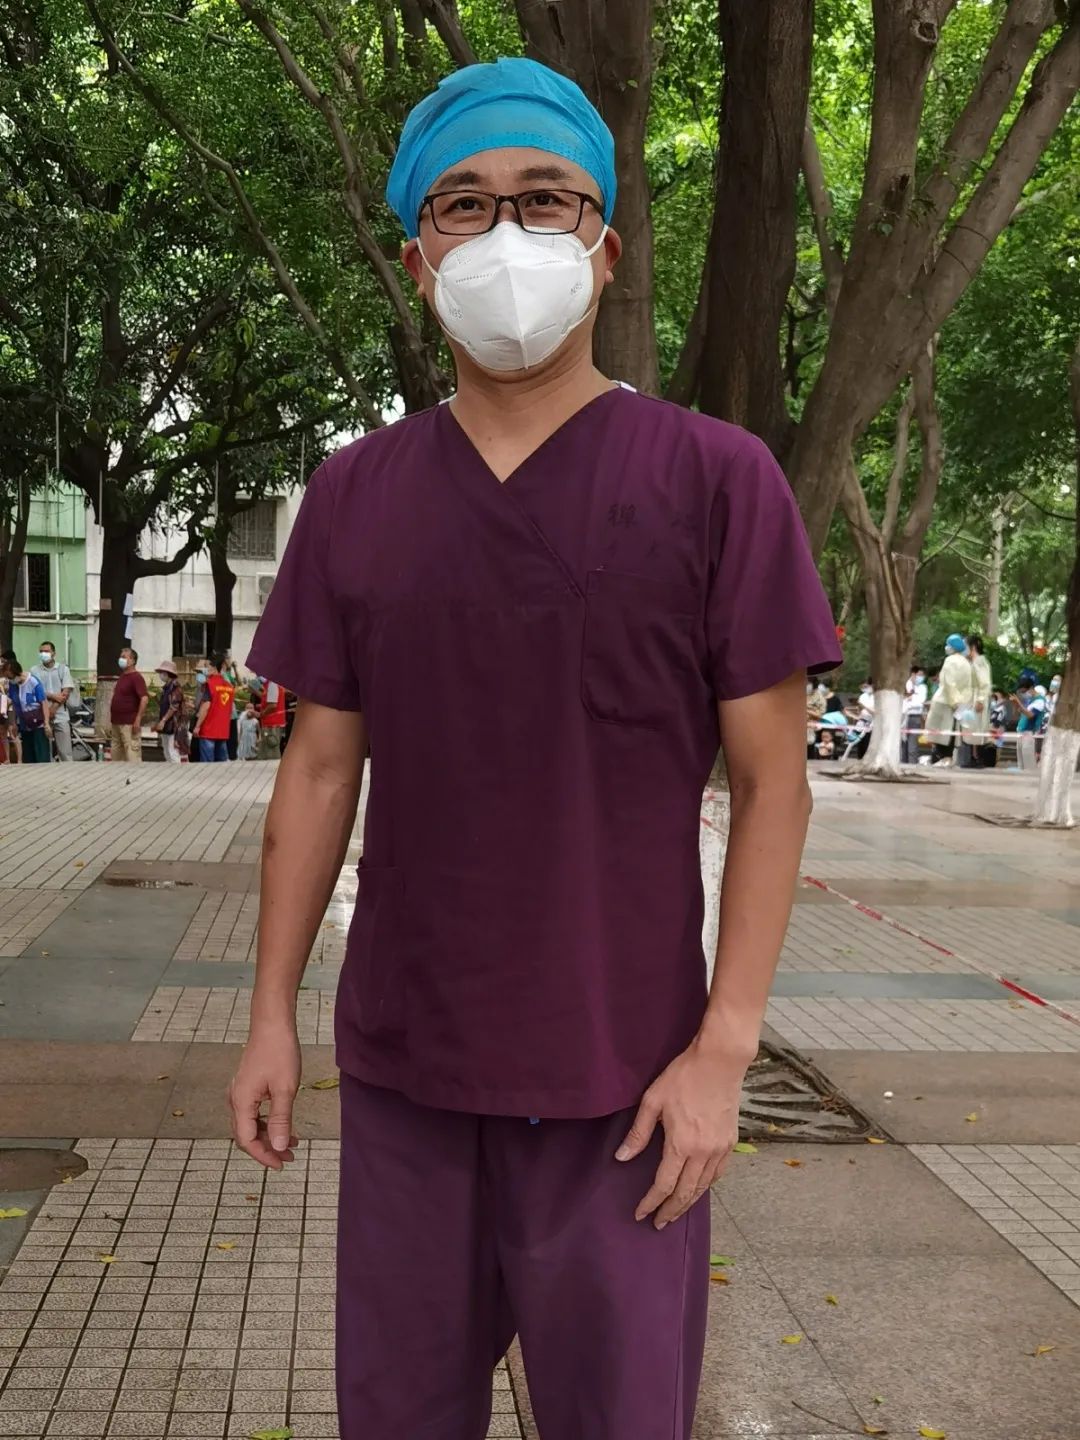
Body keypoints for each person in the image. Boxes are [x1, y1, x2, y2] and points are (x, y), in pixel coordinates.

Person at [232, 57, 840, 1440]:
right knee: (397, 1417)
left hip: (626, 1081)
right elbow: (318, 772)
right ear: (418, 261)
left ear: (604, 245)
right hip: (407, 1069)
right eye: (464, 204)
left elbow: (773, 786)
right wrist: (269, 1014)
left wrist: (723, 1052)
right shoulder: (357, 494)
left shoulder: (716, 482)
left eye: (546, 198)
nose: (507, 232)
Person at [926, 633, 973, 766]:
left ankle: (943, 758)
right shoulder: (966, 662)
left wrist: (954, 702)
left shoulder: (950, 660)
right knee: (950, 731)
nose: (946, 647)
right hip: (959, 702)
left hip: (945, 701)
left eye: (948, 645)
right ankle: (947, 757)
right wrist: (962, 703)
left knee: (940, 732)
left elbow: (949, 683)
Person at [2, 653, 50, 763]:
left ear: (17, 673)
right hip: (25, 725)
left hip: (38, 724)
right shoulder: (13, 685)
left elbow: (43, 702)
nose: (10, 680)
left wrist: (46, 723)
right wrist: (13, 723)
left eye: (10, 677)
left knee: (41, 756)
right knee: (28, 757)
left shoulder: (33, 682)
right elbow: (14, 704)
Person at [31, 642, 76, 762]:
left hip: (61, 714)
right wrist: (53, 696)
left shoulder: (63, 669)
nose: (43, 654)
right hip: (41, 715)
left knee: (65, 752)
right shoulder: (34, 671)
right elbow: (35, 691)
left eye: (46, 651)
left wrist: (53, 709)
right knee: (44, 752)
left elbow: (65, 691)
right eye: (41, 651)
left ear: (53, 653)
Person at [192, 650, 235, 762]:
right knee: (221, 764)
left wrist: (197, 726)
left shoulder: (209, 685)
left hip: (208, 730)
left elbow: (206, 706)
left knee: (207, 765)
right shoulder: (229, 687)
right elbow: (229, 709)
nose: (206, 669)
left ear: (214, 667)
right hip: (223, 731)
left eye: (207, 666)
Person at [108, 647, 148, 762]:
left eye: (124, 657)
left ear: (132, 661)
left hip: (129, 723)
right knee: (116, 756)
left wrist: (138, 719)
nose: (121, 659)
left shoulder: (136, 677)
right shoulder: (122, 677)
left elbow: (144, 698)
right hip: (116, 722)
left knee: (132, 755)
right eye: (120, 657)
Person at [152, 660, 185, 763]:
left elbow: (174, 707)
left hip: (173, 724)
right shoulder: (166, 688)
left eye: (162, 672)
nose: (161, 675)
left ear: (168, 674)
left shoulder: (175, 688)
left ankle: (176, 771)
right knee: (166, 751)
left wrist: (163, 720)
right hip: (166, 724)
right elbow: (164, 705)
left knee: (173, 752)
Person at [1014, 668, 1047, 772]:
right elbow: (1023, 713)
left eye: (1024, 691)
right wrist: (1017, 704)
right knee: (1021, 765)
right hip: (1021, 732)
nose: (1024, 694)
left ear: (1031, 688)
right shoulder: (1030, 700)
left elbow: (1030, 715)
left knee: (1028, 767)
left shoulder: (1040, 701)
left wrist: (1018, 703)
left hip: (1029, 734)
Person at [902, 664, 928, 765]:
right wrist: (909, 700)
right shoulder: (906, 685)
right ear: (913, 674)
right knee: (903, 743)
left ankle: (912, 765)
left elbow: (920, 702)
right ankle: (902, 764)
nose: (921, 677)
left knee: (912, 744)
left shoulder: (923, 687)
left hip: (915, 717)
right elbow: (903, 701)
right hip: (903, 717)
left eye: (922, 675)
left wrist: (910, 700)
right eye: (919, 675)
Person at [256, 677, 287, 760]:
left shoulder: (272, 684)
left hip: (271, 724)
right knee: (271, 749)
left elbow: (273, 705)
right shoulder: (275, 683)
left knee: (270, 752)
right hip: (275, 723)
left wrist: (261, 714)